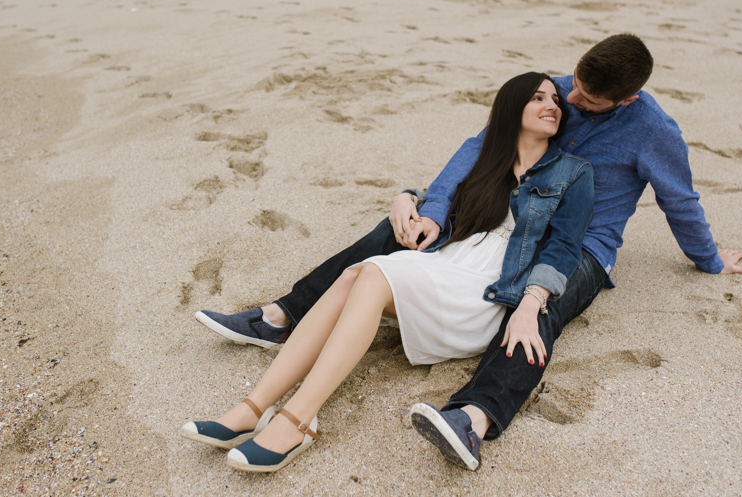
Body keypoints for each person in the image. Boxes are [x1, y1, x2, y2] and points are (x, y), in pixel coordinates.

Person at [195, 33, 742, 471]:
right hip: (502, 220)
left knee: (539, 311)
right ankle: (283, 316)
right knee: (398, 231)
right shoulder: (554, 92)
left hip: (580, 242)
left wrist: (709, 259)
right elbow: (481, 149)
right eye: (571, 89)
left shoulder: (651, 130)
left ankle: (472, 415)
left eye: (587, 99)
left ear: (626, 99)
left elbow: (679, 200)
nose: (572, 102)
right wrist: (427, 207)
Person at [181, 72, 594, 473]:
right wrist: (408, 196)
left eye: (555, 100)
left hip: (486, 291)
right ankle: (254, 408)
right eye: (538, 98)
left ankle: (297, 419)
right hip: (447, 265)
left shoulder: (574, 172)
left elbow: (563, 247)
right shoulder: (487, 156)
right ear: (511, 106)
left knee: (371, 273)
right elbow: (441, 193)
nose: (551, 105)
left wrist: (530, 303)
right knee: (352, 276)